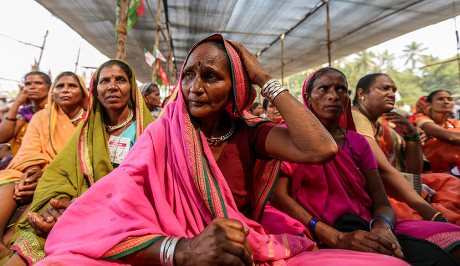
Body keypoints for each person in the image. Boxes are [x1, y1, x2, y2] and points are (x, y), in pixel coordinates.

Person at [34, 35, 409, 266]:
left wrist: (263, 78)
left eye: (211, 76)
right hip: (170, 250)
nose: (194, 87)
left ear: (237, 89)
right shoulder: (161, 135)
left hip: (238, 249)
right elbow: (118, 207)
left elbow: (322, 149)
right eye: (189, 75)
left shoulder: (251, 135)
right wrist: (181, 251)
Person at [263, 68, 460, 264]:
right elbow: (279, 197)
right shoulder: (288, 137)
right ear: (308, 97)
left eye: (341, 90)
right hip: (311, 229)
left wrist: (382, 227)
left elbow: (381, 202)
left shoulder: (356, 141)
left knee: (454, 240)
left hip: (364, 225)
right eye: (323, 89)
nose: (333, 96)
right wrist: (333, 236)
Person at [4, 61, 154, 265]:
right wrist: (56, 206)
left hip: (121, 213)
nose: (112, 86)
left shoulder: (148, 130)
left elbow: (149, 186)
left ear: (132, 87)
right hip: (75, 206)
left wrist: (83, 206)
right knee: (33, 239)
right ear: (95, 91)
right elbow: (60, 175)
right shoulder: (88, 130)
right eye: (104, 81)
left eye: (120, 80)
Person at [0, 72, 89, 262]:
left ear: (83, 93)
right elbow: (29, 150)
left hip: (66, 176)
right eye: (60, 86)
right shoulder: (41, 117)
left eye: (72, 86)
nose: (65, 90)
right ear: (53, 93)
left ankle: (12, 243)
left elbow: (86, 159)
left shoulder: (91, 121)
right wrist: (31, 172)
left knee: (51, 187)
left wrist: (46, 175)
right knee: (9, 179)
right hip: (38, 169)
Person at [352, 74, 460, 225]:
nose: (391, 94)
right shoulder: (354, 119)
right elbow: (382, 170)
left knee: (449, 183)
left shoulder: (386, 130)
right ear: (362, 94)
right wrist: (434, 215)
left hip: (397, 183)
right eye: (383, 89)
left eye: (393, 90)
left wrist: (411, 133)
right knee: (433, 213)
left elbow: (414, 171)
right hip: (375, 190)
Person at [0, 72, 51, 155]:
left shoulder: (56, 109)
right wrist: (16, 103)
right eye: (28, 84)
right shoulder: (26, 112)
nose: (32, 87)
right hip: (24, 159)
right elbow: (2, 138)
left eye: (38, 83)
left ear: (49, 88)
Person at [415, 90, 460, 174]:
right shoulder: (422, 121)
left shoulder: (455, 123)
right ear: (429, 105)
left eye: (449, 99)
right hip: (437, 173)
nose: (446, 102)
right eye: (440, 99)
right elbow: (451, 137)